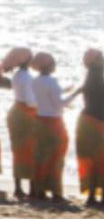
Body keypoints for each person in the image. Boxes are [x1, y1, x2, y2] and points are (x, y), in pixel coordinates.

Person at [66, 50, 104, 207]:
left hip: (90, 122)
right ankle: (102, 196)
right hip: (95, 123)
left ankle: (93, 195)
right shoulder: (96, 75)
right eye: (101, 58)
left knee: (94, 159)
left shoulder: (93, 75)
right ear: (95, 62)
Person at [29, 52, 68, 204]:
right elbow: (59, 104)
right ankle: (56, 191)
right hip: (53, 122)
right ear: (50, 65)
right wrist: (77, 92)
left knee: (41, 156)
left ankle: (39, 189)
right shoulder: (52, 81)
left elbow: (43, 98)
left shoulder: (35, 81)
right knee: (57, 157)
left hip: (39, 120)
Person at [4, 47, 37, 201]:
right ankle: (32, 188)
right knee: (31, 150)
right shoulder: (28, 77)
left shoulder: (17, 75)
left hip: (15, 111)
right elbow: (30, 101)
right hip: (26, 115)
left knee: (17, 151)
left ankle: (18, 187)